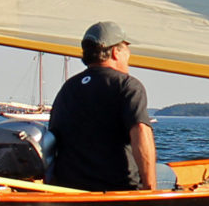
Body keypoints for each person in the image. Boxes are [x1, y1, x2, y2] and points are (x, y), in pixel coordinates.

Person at [46, 21, 156, 191]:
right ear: (115, 52)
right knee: (167, 174)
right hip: (119, 187)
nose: (129, 55)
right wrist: (150, 191)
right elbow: (141, 131)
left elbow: (53, 137)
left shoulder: (68, 87)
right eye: (127, 49)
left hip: (70, 188)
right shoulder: (128, 85)